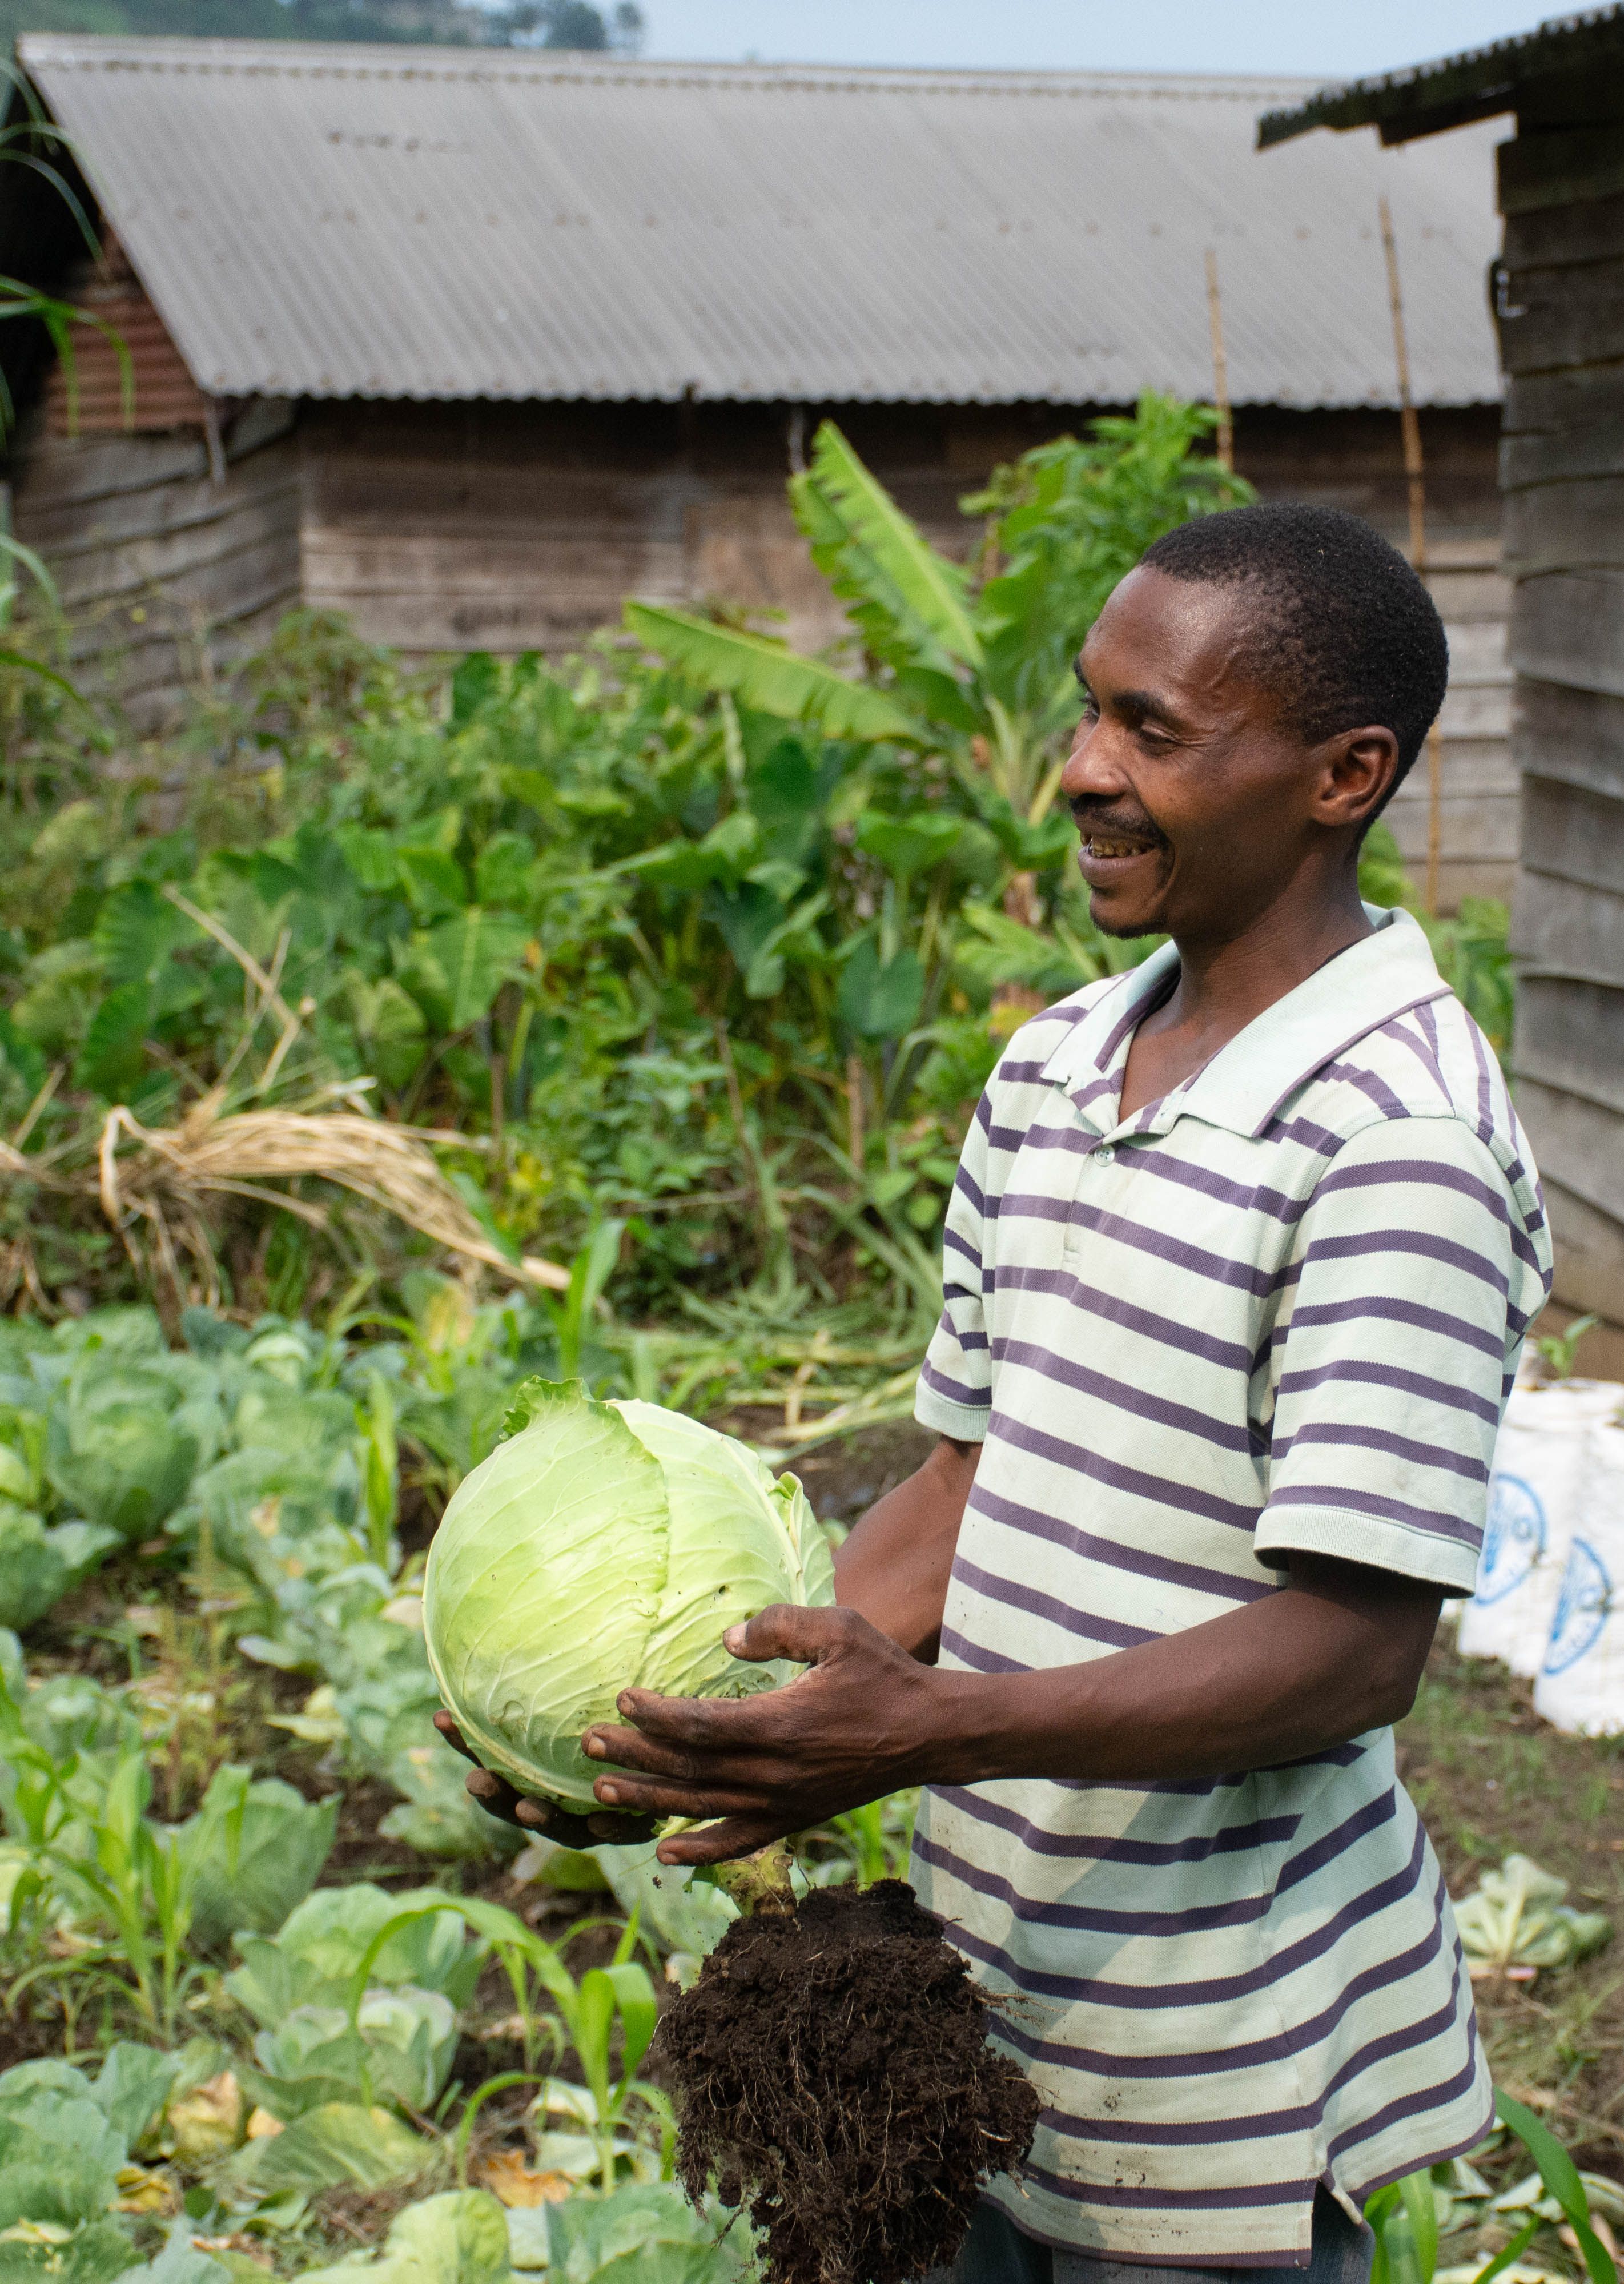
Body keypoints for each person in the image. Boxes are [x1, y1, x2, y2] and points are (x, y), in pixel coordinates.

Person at [443, 501, 1550, 2278]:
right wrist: (660, 1730)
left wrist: (928, 1732)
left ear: (1346, 773)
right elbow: (968, 1490)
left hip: (1216, 2044)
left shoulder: (1393, 1141)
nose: (1082, 774)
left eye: (1155, 734)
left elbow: (1354, 1647)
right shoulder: (1056, 1067)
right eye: (1090, 712)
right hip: (975, 1986)